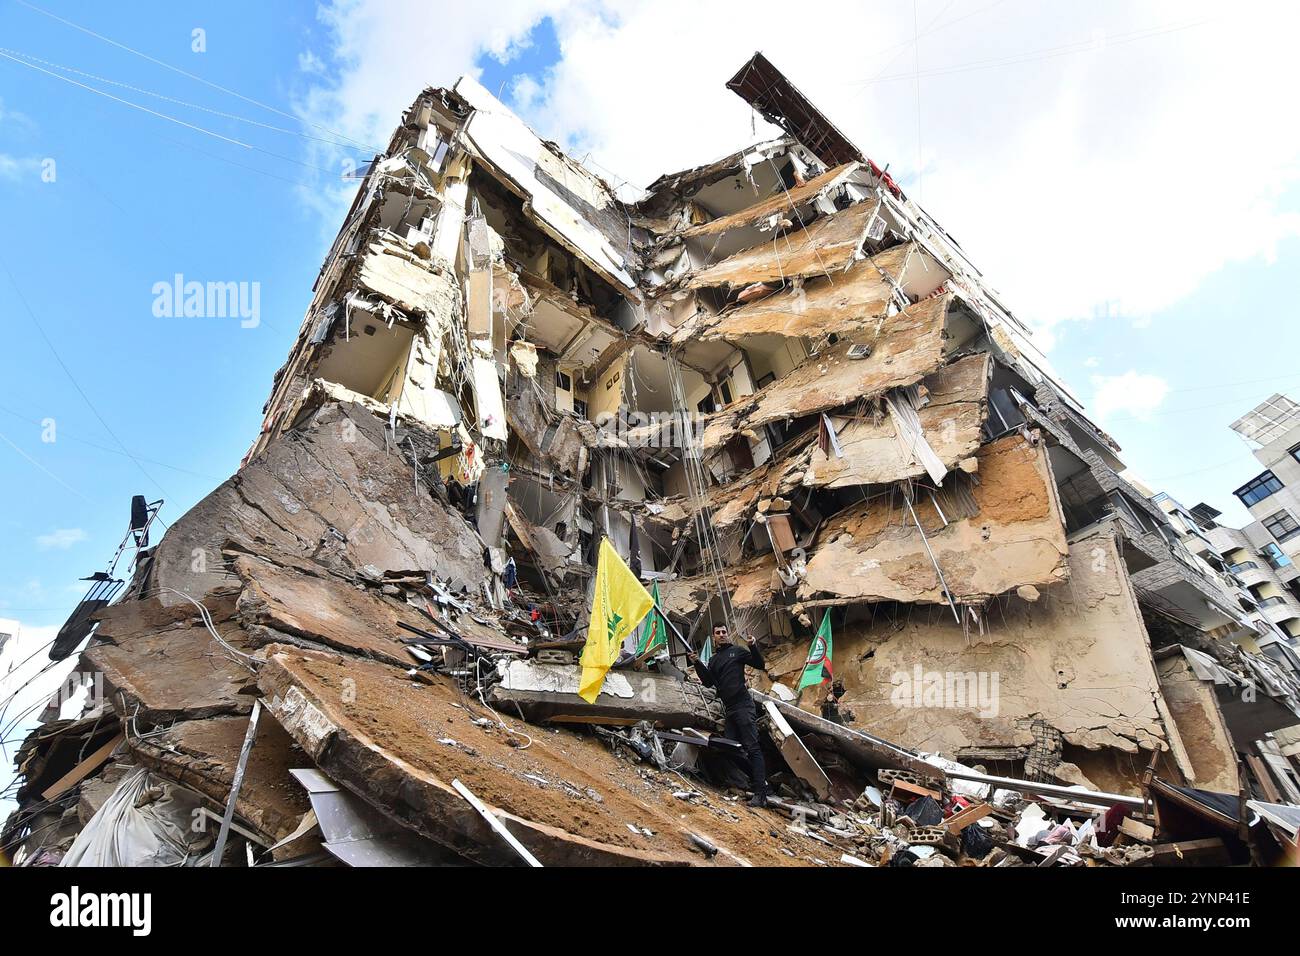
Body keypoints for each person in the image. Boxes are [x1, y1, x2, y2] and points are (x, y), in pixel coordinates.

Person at [687, 622, 768, 807]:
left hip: (743, 705)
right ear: (714, 636)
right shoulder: (714, 660)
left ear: (727, 634)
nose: (722, 634)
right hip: (730, 709)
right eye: (718, 632)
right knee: (729, 748)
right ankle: (761, 781)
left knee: (752, 747)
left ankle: (760, 794)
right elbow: (708, 682)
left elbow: (759, 664)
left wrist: (753, 646)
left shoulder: (737, 652)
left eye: (724, 632)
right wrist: (697, 664)